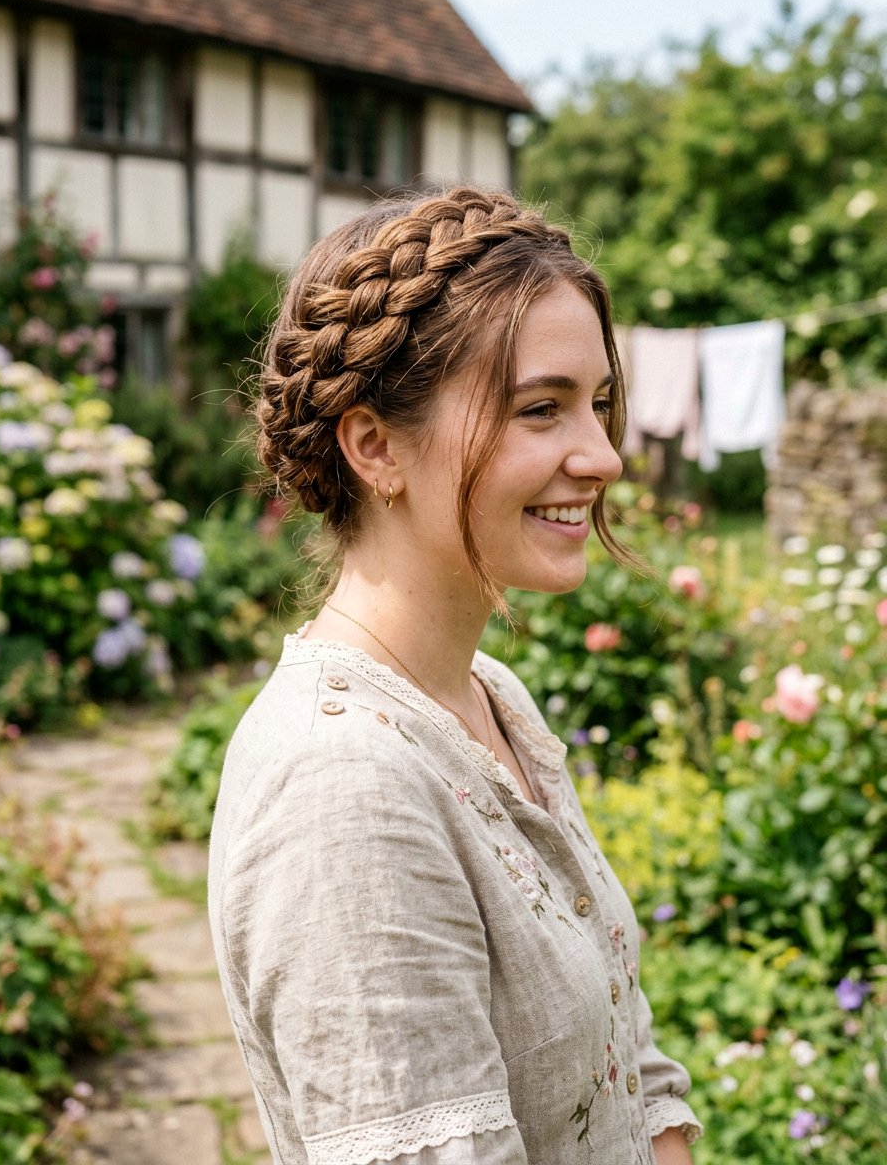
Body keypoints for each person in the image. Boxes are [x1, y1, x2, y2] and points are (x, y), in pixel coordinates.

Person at [208, 186, 702, 1164]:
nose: (601, 455)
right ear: (375, 445)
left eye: (597, 403)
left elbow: (625, 1057)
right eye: (538, 409)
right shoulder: (345, 791)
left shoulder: (488, 701)